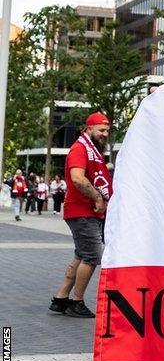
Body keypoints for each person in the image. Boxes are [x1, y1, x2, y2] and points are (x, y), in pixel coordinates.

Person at [49, 113, 113, 318]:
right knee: (92, 256)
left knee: (81, 255)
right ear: (88, 129)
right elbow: (77, 179)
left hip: (84, 211)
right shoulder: (80, 148)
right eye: (101, 130)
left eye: (107, 130)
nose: (105, 134)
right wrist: (97, 198)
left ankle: (60, 299)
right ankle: (77, 301)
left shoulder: (89, 149)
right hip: (83, 211)